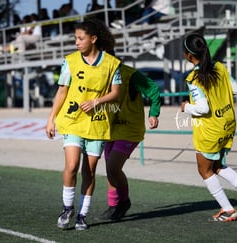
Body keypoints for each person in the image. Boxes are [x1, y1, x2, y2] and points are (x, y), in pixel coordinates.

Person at [45, 18, 121, 230]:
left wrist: (97, 101)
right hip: (72, 121)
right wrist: (51, 119)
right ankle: (67, 208)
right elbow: (62, 91)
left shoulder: (111, 64)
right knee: (71, 166)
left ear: (93, 39)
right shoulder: (70, 61)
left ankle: (82, 215)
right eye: (75, 38)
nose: (77, 42)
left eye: (81, 38)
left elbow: (116, 93)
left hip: (97, 124)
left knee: (90, 170)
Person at [180, 33, 237, 222]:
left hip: (210, 129)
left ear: (188, 55)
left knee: (205, 170)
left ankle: (228, 209)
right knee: (217, 166)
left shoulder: (194, 78)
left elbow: (202, 108)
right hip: (228, 124)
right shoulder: (219, 66)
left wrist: (186, 107)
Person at [99, 63, 161, 221]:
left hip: (130, 129)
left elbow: (152, 88)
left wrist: (154, 113)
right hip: (110, 129)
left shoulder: (130, 74)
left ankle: (124, 202)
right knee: (109, 170)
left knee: (113, 167)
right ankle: (113, 206)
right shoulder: (97, 72)